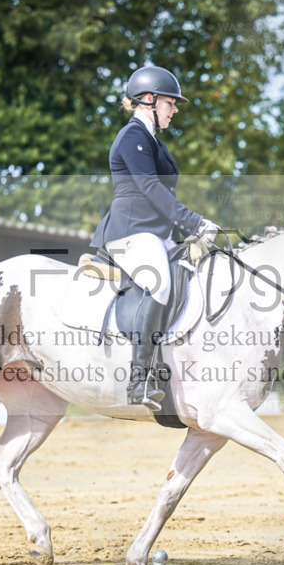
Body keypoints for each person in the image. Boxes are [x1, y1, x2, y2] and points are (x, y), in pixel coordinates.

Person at [90, 65, 220, 411]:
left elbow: (160, 195)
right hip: (130, 234)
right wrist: (193, 222)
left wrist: (190, 233)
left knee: (195, 274)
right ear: (149, 99)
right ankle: (140, 379)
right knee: (159, 282)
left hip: (156, 234)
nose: (174, 110)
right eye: (170, 103)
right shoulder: (132, 136)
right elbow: (148, 188)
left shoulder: (152, 140)